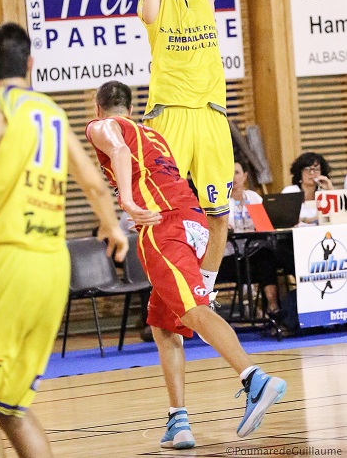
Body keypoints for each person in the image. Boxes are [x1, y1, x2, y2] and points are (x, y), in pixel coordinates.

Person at [0, 22, 160, 458]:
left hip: (8, 258)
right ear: (31, 64)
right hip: (53, 266)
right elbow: (95, 184)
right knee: (9, 405)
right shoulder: (52, 113)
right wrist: (113, 228)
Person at [86, 80, 287, 448]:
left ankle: (254, 378)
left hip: (163, 226)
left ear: (98, 108)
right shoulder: (155, 136)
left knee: (193, 309)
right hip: (193, 222)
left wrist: (128, 202)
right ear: (131, 107)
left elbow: (114, 146)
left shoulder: (102, 126)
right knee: (164, 324)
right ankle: (178, 421)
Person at [121, 0, 234, 303]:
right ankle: (165, 289)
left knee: (219, 214)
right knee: (159, 210)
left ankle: (202, 291)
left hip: (210, 115)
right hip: (168, 116)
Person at [217, 159, 283, 319]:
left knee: (266, 257)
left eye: (237, 173)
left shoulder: (254, 197)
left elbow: (265, 224)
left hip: (254, 255)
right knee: (263, 261)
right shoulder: (219, 200)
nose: (233, 177)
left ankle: (273, 309)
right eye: (229, 173)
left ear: (245, 176)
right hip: (230, 259)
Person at [282, 151, 333, 226]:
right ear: (300, 173)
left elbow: (337, 217)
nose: (312, 173)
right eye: (307, 169)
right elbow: (284, 220)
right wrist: (308, 220)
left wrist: (330, 189)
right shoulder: (290, 191)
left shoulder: (324, 193)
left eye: (316, 169)